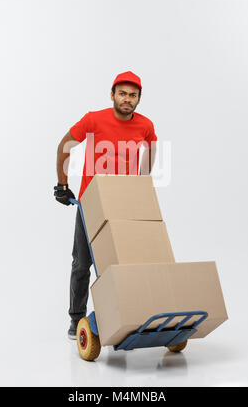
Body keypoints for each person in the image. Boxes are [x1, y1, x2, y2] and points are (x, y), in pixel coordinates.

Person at [54, 71, 158, 339]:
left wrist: (142, 184)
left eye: (132, 95)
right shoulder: (94, 119)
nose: (127, 99)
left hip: (125, 204)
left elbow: (151, 149)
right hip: (92, 202)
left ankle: (126, 315)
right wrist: (63, 185)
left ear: (138, 99)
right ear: (112, 95)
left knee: (125, 263)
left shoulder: (145, 125)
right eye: (122, 93)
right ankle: (76, 320)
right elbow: (65, 144)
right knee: (82, 264)